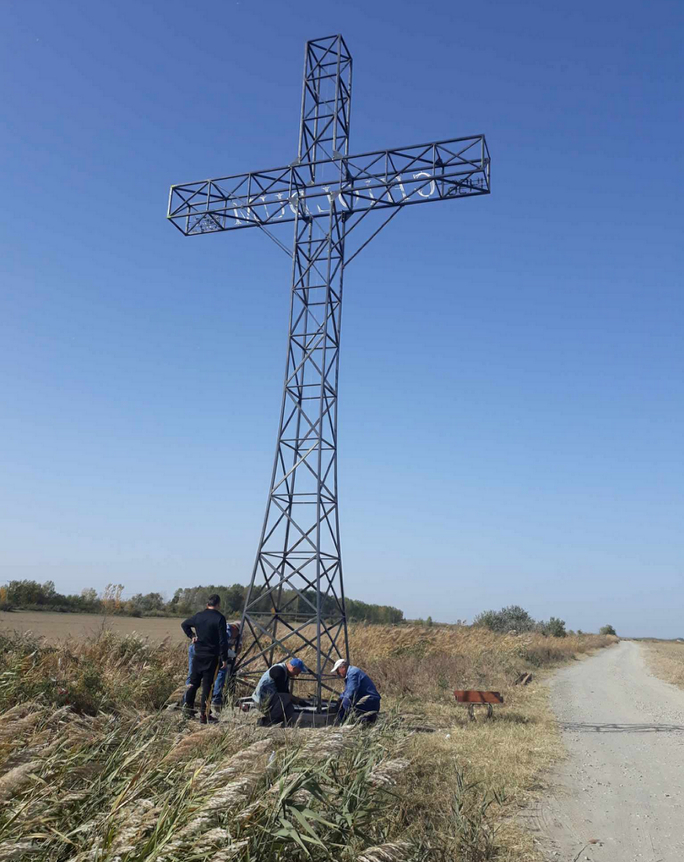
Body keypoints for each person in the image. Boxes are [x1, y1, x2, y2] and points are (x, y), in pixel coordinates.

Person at [181, 594, 228, 724]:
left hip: (198, 655)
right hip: (211, 657)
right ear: (218, 605)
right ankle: (204, 714)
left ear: (207, 604)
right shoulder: (220, 618)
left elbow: (184, 624)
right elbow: (223, 640)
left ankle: (187, 710)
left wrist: (192, 636)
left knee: (193, 683)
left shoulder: (199, 616)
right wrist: (224, 658)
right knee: (208, 686)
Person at [185, 621, 240, 709]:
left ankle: (186, 702)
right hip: (205, 649)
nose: (236, 636)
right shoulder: (228, 630)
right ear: (235, 628)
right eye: (237, 633)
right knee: (221, 670)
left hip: (196, 647)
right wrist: (229, 654)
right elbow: (220, 644)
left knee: (192, 674)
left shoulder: (225, 629)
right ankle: (216, 699)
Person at [251, 657, 309, 726]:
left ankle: (278, 721)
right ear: (293, 668)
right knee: (286, 698)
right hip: (262, 701)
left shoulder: (285, 673)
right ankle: (267, 720)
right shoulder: (279, 671)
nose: (297, 675)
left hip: (270, 699)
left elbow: (285, 692)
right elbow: (283, 693)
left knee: (289, 708)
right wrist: (297, 700)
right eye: (297, 672)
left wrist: (297, 701)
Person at [333, 659, 381, 723]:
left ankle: (345, 722)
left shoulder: (353, 673)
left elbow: (350, 693)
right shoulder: (352, 672)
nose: (338, 673)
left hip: (369, 702)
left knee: (346, 703)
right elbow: (348, 691)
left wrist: (342, 704)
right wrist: (340, 698)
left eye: (337, 671)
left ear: (343, 668)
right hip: (370, 701)